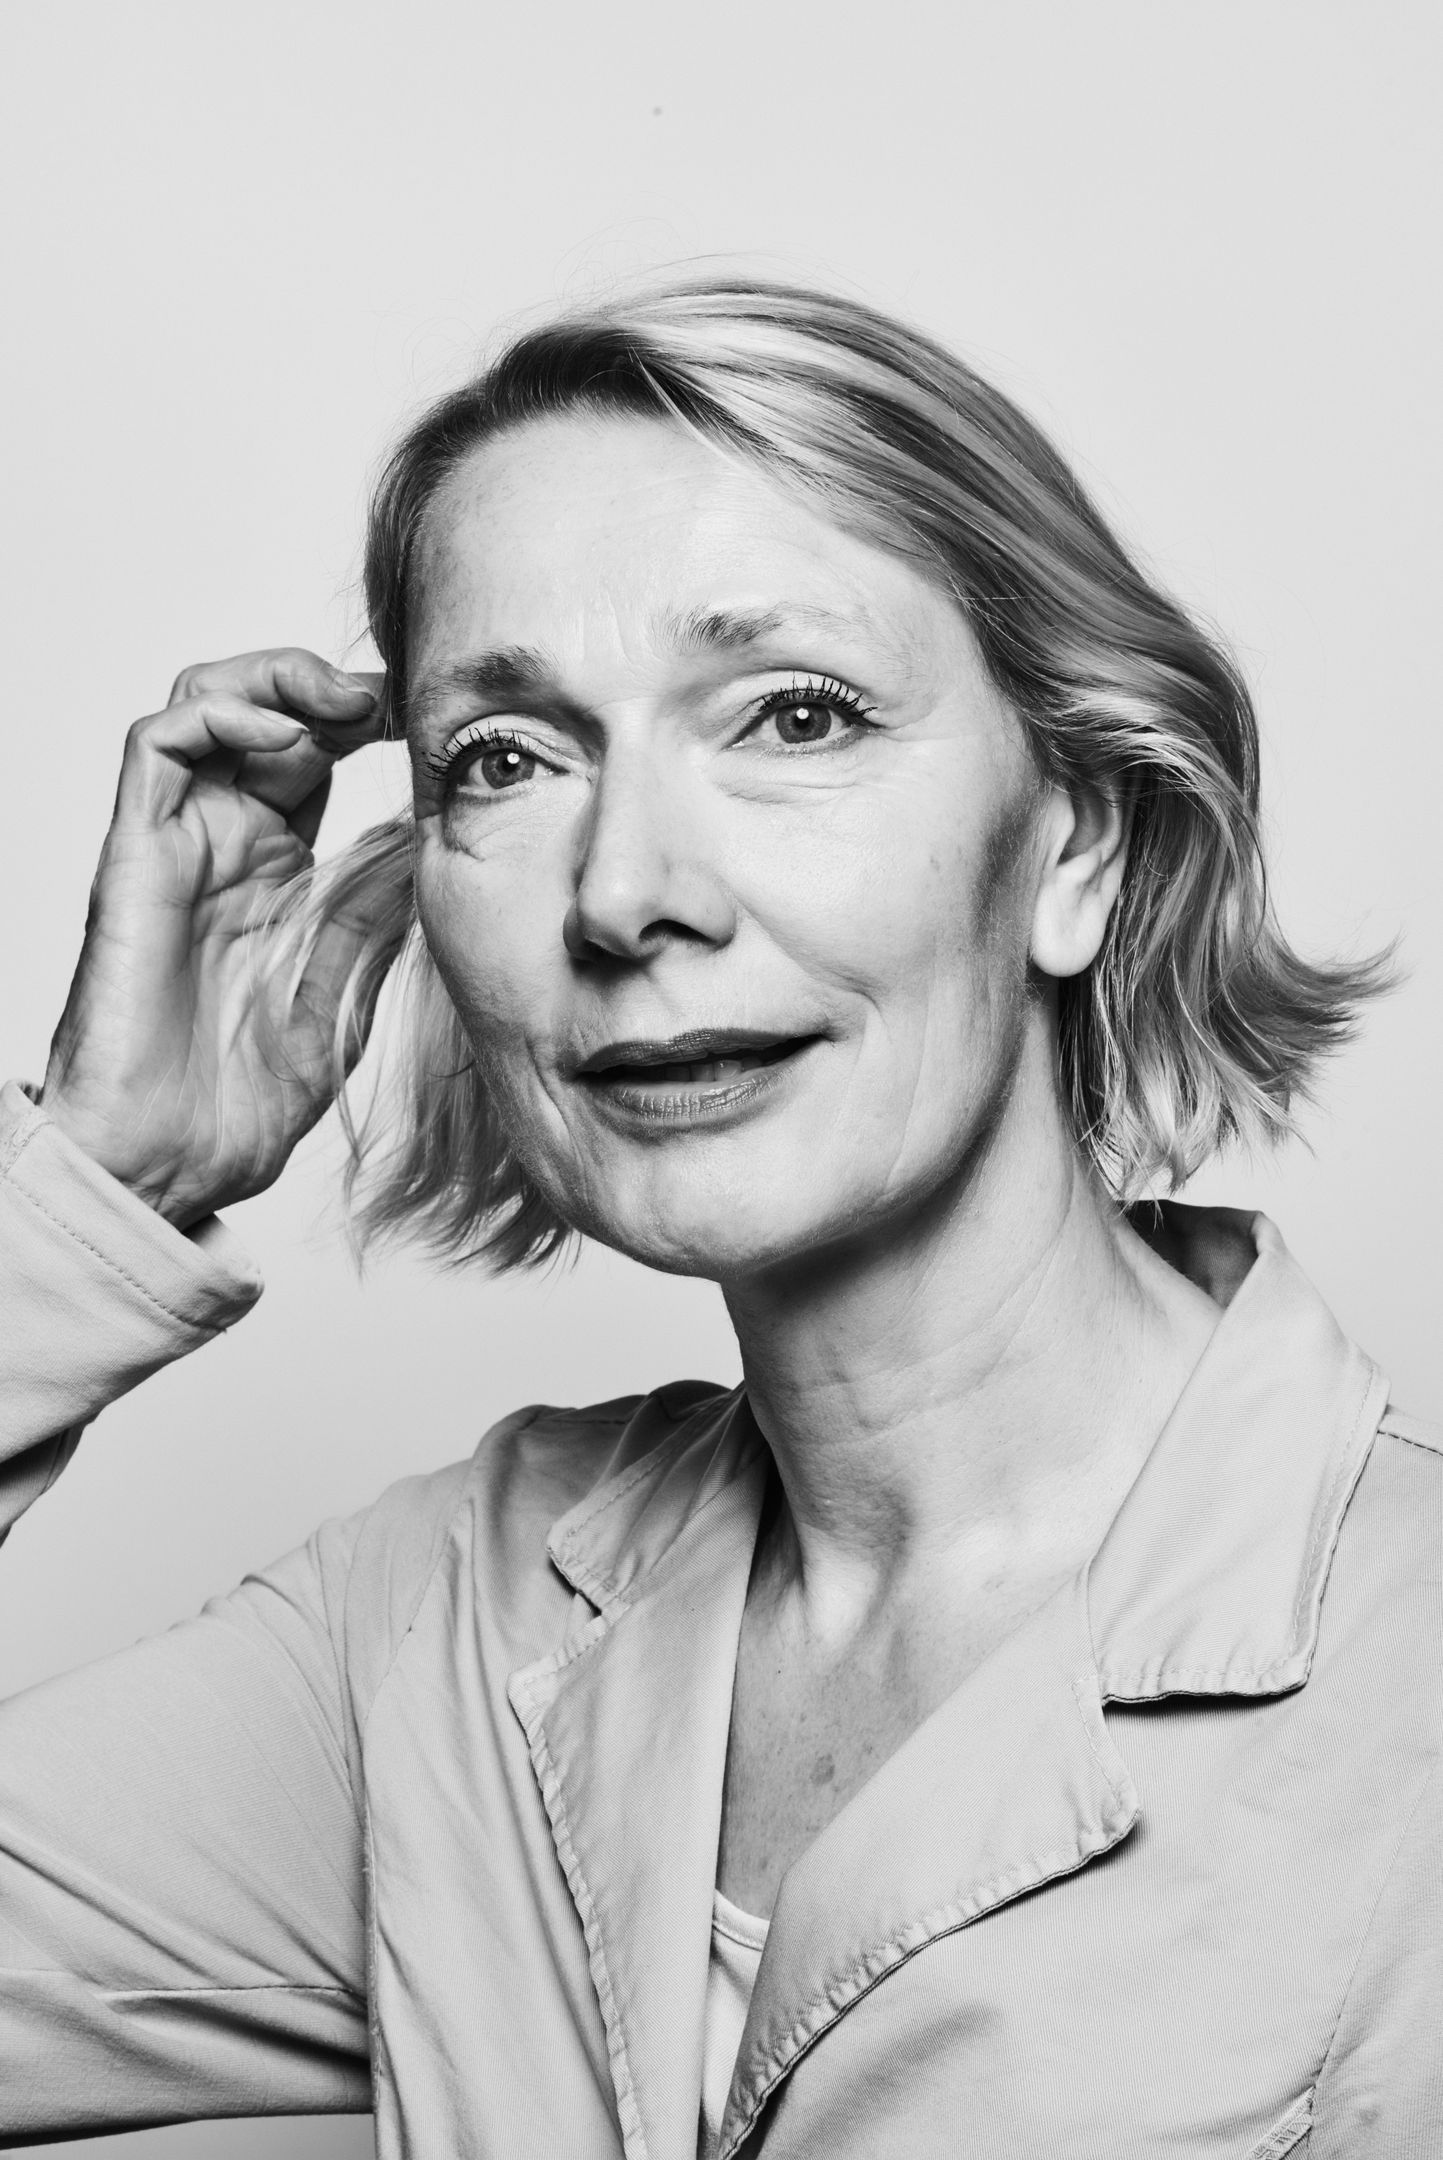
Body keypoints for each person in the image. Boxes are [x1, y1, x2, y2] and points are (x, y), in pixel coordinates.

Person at [0, 276, 1436, 2160]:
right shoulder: (446, 1626)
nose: (625, 893)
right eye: (504, 758)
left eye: (796, 715)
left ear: (1074, 842)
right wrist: (104, 1183)